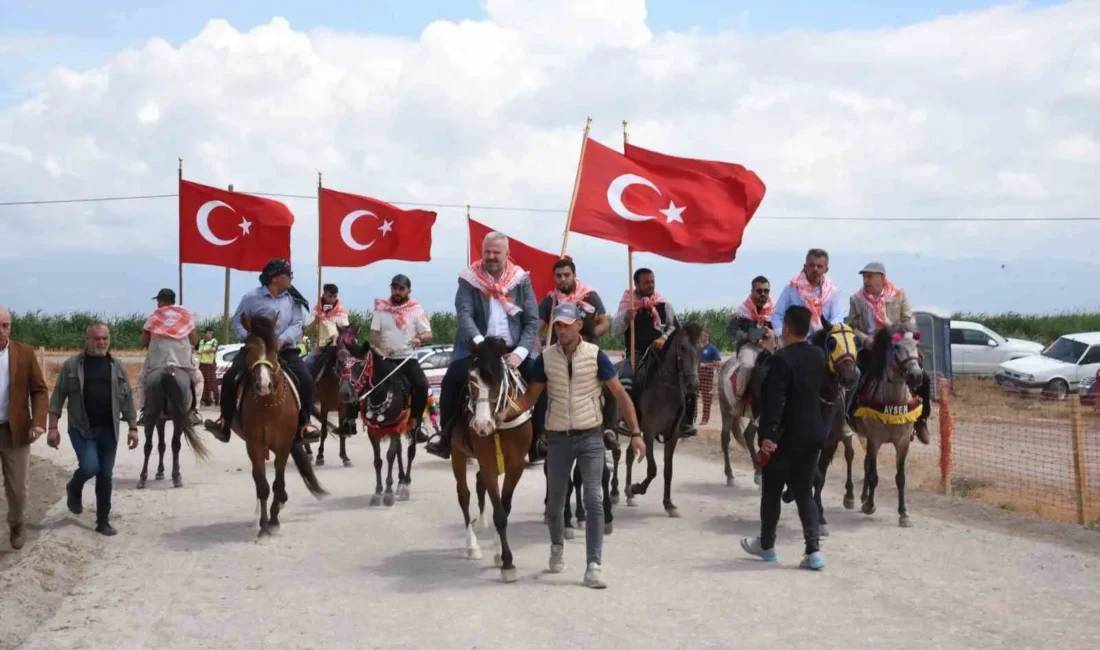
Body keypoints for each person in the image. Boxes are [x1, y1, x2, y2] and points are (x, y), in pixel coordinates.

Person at [495, 303, 646, 589]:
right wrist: (506, 412)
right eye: (558, 325)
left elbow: (620, 395)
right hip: (558, 438)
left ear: (578, 325)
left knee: (592, 498)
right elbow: (530, 398)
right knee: (554, 505)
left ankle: (593, 564)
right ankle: (556, 545)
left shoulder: (596, 355)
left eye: (567, 324)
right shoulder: (545, 359)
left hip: (590, 436)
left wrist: (636, 432)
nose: (562, 330)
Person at [425, 231, 539, 460]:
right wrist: (480, 347)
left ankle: (540, 440)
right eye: (487, 251)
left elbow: (532, 320)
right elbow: (464, 314)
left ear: (508, 253)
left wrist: (520, 353)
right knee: (452, 379)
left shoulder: (521, 279)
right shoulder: (469, 278)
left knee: (541, 379)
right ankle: (445, 438)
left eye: (496, 252)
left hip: (513, 348)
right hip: (477, 347)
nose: (491, 256)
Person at [740, 305, 827, 570]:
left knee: (772, 491)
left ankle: (767, 546)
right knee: (803, 492)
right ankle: (813, 552)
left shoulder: (781, 359)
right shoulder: (819, 356)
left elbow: (776, 400)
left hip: (784, 436)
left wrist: (768, 436)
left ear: (787, 328)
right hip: (813, 433)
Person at [205, 258, 319, 443]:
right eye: (287, 275)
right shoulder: (251, 298)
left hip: (284, 349)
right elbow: (237, 320)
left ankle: (304, 425)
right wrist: (250, 339)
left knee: (306, 380)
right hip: (256, 350)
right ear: (274, 278)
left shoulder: (293, 299)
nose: (291, 278)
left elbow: (297, 323)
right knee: (230, 377)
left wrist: (282, 340)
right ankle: (225, 423)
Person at [47, 323, 140, 537]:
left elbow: (127, 400)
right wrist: (53, 427)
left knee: (105, 475)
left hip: (109, 430)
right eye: (97, 338)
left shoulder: (117, 366)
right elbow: (57, 397)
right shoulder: (72, 366)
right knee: (90, 466)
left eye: (105, 338)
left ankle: (103, 521)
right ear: (88, 340)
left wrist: (133, 428)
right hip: (81, 429)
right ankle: (74, 487)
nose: (102, 342)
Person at [535, 258, 612, 457]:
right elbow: (536, 328)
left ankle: (609, 430)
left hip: (587, 353)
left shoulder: (589, 296)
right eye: (559, 276)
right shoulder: (550, 300)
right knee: (538, 387)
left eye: (566, 275)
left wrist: (592, 333)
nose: (563, 279)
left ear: (574, 275)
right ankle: (540, 436)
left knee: (612, 384)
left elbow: (605, 322)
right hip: (557, 356)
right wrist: (539, 346)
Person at [847, 261, 930, 444]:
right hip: (870, 348)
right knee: (856, 375)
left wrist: (892, 330)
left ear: (882, 279)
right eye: (864, 276)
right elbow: (851, 326)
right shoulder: (856, 298)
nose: (866, 280)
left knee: (923, 376)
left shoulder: (899, 295)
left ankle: (921, 420)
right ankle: (850, 416)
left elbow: (909, 321)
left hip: (897, 346)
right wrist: (865, 339)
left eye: (870, 276)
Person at [611, 267, 697, 438]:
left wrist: (664, 338)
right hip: (637, 352)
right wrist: (627, 318)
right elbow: (615, 331)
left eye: (652, 282)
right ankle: (627, 420)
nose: (650, 286)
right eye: (646, 283)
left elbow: (674, 327)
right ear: (636, 284)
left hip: (662, 353)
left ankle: (686, 421)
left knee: (688, 376)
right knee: (627, 376)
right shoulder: (628, 306)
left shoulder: (664, 305)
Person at [0, 306, 50, 550]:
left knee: (18, 489)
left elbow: (39, 390)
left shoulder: (24, 353)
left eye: (5, 325)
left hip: (15, 431)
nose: (1, 331)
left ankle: (17, 523)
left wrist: (39, 421)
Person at [369, 274, 433, 439]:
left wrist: (419, 339)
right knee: (362, 381)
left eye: (401, 289)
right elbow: (373, 336)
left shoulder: (416, 310)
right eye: (394, 288)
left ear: (408, 291)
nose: (397, 291)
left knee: (422, 385)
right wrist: (382, 346)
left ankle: (415, 425)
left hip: (407, 359)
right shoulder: (381, 308)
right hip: (385, 359)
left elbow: (428, 333)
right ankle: (352, 420)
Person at [136, 289, 202, 427]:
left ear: (161, 301)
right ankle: (193, 412)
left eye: (158, 301)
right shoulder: (185, 315)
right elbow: (194, 340)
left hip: (158, 360)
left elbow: (143, 343)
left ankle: (145, 411)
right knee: (198, 380)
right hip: (182, 360)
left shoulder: (154, 317)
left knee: (142, 378)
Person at [726, 275, 776, 404]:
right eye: (759, 291)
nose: (763, 294)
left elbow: (782, 330)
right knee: (748, 365)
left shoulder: (775, 312)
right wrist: (747, 336)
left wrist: (772, 334)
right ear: (752, 291)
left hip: (771, 346)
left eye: (766, 291)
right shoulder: (743, 311)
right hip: (749, 347)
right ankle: (739, 397)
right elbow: (730, 330)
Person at [771, 249, 843, 336]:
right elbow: (777, 316)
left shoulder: (832, 292)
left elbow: (837, 318)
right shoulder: (792, 288)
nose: (815, 269)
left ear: (826, 269)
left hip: (824, 343)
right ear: (805, 266)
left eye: (819, 266)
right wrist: (783, 338)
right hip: (797, 343)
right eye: (812, 265)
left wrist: (826, 334)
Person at [304, 283, 350, 377]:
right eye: (329, 296)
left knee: (351, 365)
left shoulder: (341, 312)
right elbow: (306, 331)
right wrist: (315, 322)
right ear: (324, 295)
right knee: (306, 363)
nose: (332, 299)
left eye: (334, 296)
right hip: (320, 347)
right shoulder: (316, 311)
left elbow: (346, 332)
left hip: (337, 347)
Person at [696, 331, 721, 426]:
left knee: (706, 399)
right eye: (701, 335)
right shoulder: (697, 348)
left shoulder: (712, 348)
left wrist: (705, 364)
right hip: (696, 375)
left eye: (704, 335)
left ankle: (705, 419)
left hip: (707, 376)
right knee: (693, 397)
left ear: (708, 336)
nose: (702, 337)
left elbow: (718, 362)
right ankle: (693, 418)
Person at [196, 327, 219, 406]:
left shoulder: (214, 341)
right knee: (202, 381)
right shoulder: (201, 342)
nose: (204, 334)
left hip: (210, 364)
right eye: (204, 333)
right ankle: (204, 399)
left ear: (210, 333)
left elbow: (213, 349)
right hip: (202, 364)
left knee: (211, 382)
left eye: (206, 333)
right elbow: (195, 349)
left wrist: (202, 352)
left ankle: (215, 399)